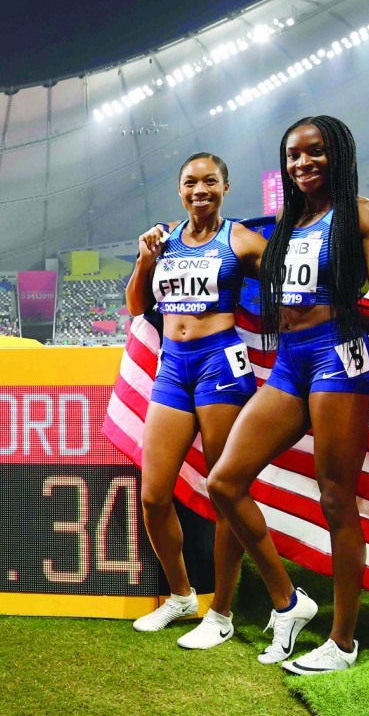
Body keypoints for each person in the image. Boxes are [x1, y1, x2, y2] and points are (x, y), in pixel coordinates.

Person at [207, 115, 369, 674]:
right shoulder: (288, 221)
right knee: (223, 480)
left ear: (338, 153)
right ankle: (290, 600)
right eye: (293, 155)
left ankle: (342, 643)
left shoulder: (363, 214)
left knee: (335, 500)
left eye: (315, 152)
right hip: (292, 362)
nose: (302, 164)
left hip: (339, 356)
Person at [124, 153, 265, 648]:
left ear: (226, 186)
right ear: (179, 189)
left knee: (223, 492)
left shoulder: (241, 239)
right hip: (173, 366)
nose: (199, 189)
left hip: (220, 365)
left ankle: (221, 612)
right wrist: (144, 259)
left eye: (209, 181)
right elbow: (138, 306)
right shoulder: (162, 241)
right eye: (190, 182)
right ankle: (181, 596)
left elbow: (290, 284)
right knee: (153, 494)